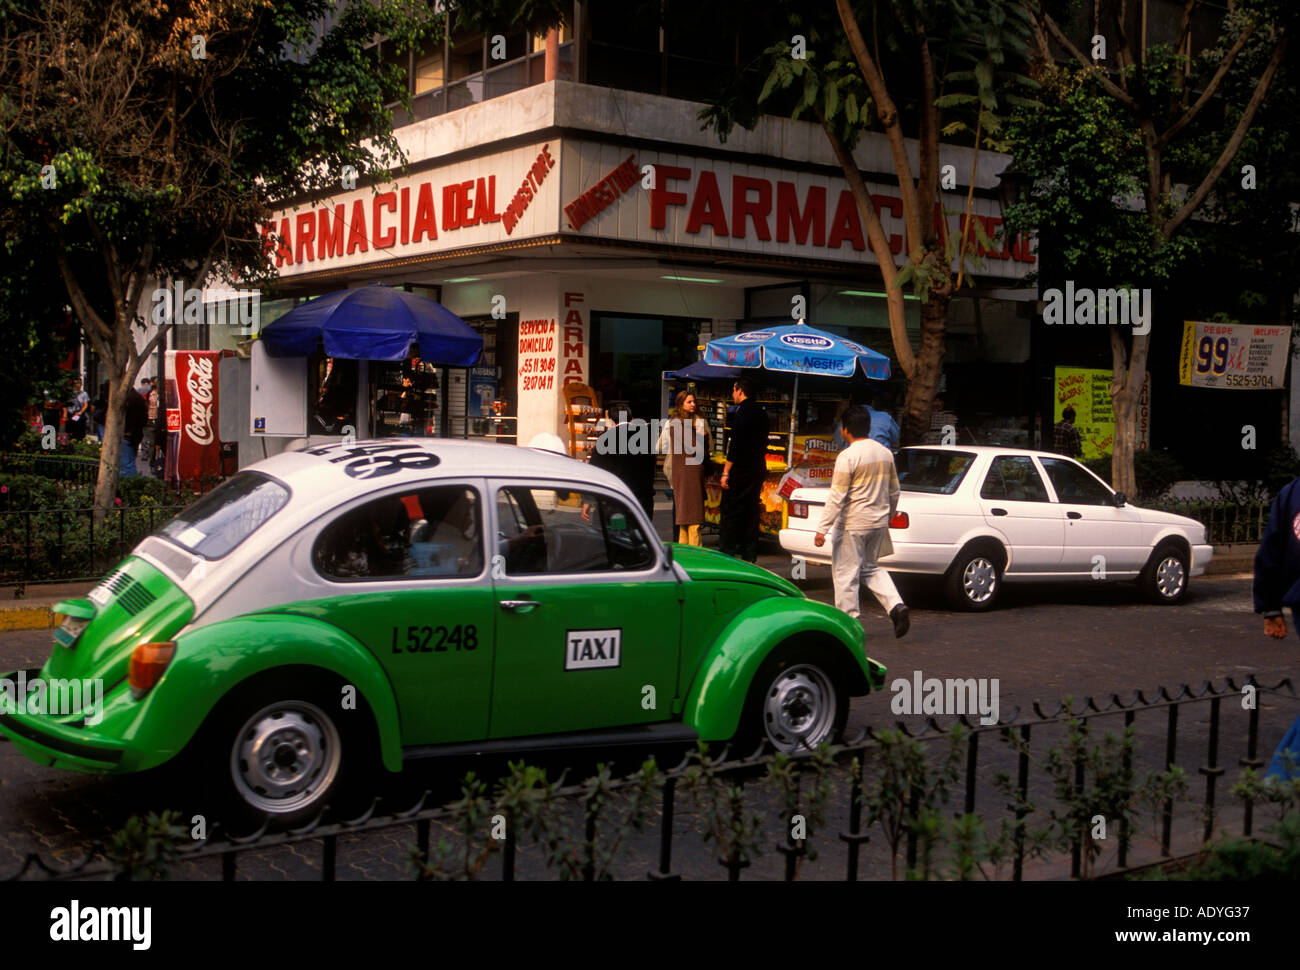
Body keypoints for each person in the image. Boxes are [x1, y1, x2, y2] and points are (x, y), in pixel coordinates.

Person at [813, 406, 910, 638]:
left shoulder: (847, 456)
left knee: (846, 574)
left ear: (845, 430)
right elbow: (894, 491)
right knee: (870, 568)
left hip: (852, 524)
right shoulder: (885, 453)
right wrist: (887, 517)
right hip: (877, 522)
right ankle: (896, 606)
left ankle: (850, 625)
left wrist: (822, 529)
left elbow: (838, 496)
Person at [719, 377, 769, 562]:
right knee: (751, 512)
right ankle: (750, 553)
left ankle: (727, 552)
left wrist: (726, 472)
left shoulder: (742, 412)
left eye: (733, 390)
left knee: (732, 512)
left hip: (741, 470)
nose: (733, 394)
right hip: (757, 468)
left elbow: (736, 446)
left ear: (739, 390)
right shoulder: (762, 412)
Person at [588, 402, 656, 520]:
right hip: (641, 500)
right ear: (631, 418)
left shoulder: (605, 439)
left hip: (614, 501)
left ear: (611, 420)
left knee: (615, 536)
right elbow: (651, 468)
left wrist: (588, 500)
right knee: (639, 536)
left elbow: (594, 471)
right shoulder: (645, 437)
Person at [658, 390, 709, 545]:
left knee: (685, 520)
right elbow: (695, 449)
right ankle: (696, 556)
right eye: (689, 402)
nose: (693, 404)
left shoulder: (683, 422)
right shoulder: (680, 423)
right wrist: (702, 435)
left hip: (685, 473)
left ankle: (684, 554)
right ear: (681, 404)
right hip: (689, 475)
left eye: (694, 401)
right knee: (692, 520)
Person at [121, 384, 149, 478]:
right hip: (136, 434)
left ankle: (130, 484)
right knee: (130, 460)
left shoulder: (126, 399)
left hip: (127, 434)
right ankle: (132, 482)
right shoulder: (139, 398)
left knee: (126, 464)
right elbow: (144, 419)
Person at [138, 379, 158, 476]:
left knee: (148, 439)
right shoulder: (152, 395)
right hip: (151, 419)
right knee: (151, 441)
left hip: (152, 419)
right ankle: (151, 461)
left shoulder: (147, 393)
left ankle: (146, 455)